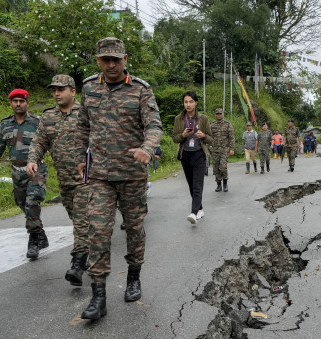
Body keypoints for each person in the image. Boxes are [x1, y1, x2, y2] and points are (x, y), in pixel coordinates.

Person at [74, 37, 162, 320]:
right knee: (98, 231)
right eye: (105, 60)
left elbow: (154, 126)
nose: (111, 65)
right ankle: (98, 295)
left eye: (116, 59)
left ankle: (133, 277)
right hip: (99, 175)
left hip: (132, 175)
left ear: (125, 59)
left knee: (134, 228)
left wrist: (148, 148)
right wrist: (79, 158)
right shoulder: (89, 88)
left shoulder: (140, 90)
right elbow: (82, 127)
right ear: (98, 61)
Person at [26, 74, 90, 286]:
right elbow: (39, 141)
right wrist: (33, 159)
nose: (56, 93)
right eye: (53, 89)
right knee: (76, 219)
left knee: (81, 221)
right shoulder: (48, 116)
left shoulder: (85, 114)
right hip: (64, 179)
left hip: (86, 179)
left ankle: (78, 263)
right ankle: (87, 251)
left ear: (73, 91)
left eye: (60, 89)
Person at [0, 88, 47, 259]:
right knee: (22, 204)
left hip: (37, 170)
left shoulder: (38, 123)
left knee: (31, 202)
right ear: (11, 103)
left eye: (21, 101)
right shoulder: (5, 125)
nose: (18, 104)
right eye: (15, 101)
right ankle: (41, 234)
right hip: (17, 172)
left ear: (27, 103)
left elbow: (51, 143)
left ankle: (33, 241)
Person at [172, 90, 210, 224]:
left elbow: (211, 138)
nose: (188, 105)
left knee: (197, 185)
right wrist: (183, 135)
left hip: (199, 154)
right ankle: (200, 209)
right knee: (191, 184)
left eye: (190, 102)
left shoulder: (203, 118)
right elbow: (175, 138)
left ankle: (193, 213)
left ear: (196, 103)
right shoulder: (179, 119)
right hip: (185, 155)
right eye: (185, 102)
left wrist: (203, 136)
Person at [209, 107, 234, 192]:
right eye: (217, 114)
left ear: (222, 114)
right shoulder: (212, 125)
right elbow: (209, 137)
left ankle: (225, 184)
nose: (219, 115)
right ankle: (218, 185)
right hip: (215, 150)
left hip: (224, 150)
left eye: (220, 113)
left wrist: (232, 149)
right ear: (215, 115)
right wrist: (209, 147)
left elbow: (231, 137)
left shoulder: (227, 124)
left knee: (223, 167)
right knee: (216, 168)